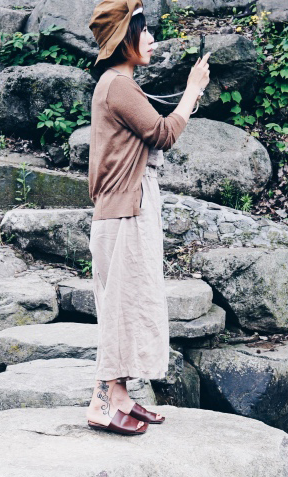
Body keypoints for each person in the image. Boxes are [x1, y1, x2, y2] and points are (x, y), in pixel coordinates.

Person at [83, 0, 211, 435]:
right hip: (125, 211)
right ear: (125, 39)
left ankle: (119, 395)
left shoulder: (117, 83)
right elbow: (163, 133)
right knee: (122, 304)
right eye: (145, 31)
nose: (153, 39)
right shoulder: (118, 85)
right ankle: (101, 402)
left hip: (125, 207)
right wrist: (193, 90)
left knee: (130, 300)